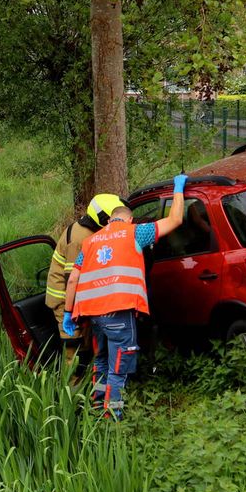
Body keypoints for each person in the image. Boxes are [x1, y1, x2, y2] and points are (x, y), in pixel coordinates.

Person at [64, 175, 188, 419]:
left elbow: (72, 280)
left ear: (109, 220)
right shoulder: (135, 233)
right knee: (118, 369)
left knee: (101, 362)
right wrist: (178, 188)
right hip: (119, 313)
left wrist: (69, 313)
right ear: (129, 219)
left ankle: (98, 406)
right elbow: (175, 220)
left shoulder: (90, 242)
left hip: (94, 317)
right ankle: (113, 417)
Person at [45, 193, 123, 372]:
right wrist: (69, 311)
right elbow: (72, 279)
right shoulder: (79, 240)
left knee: (88, 344)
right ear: (102, 218)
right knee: (74, 347)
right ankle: (73, 392)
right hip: (65, 300)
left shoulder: (92, 231)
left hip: (79, 298)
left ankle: (90, 384)